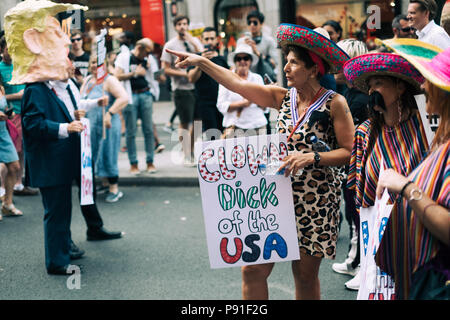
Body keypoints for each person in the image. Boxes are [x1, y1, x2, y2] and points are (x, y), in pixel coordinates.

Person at [167, 23, 354, 300]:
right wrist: (202, 61)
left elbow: (349, 150)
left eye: (294, 63)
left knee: (304, 277)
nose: (286, 68)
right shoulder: (281, 97)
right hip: (273, 198)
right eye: (286, 61)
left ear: (313, 69)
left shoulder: (335, 103)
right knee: (252, 270)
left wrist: (311, 157)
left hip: (315, 201)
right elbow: (238, 84)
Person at [5, 0, 122, 275]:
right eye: (61, 45)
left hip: (64, 160)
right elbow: (33, 125)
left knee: (62, 212)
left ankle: (63, 250)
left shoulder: (56, 85)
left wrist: (77, 116)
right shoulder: (36, 89)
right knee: (55, 213)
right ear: (36, 45)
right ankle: (57, 262)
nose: (68, 52)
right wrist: (65, 128)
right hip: (51, 163)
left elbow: (61, 113)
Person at [343, 51, 429, 297]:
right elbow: (362, 197)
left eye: (378, 83)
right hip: (379, 239)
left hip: (417, 235)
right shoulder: (365, 133)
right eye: (369, 87)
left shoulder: (423, 127)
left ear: (400, 87)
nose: (371, 91)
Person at [375, 40, 449, 300]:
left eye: (429, 79)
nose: (422, 85)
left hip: (438, 283)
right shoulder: (443, 140)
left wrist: (407, 188)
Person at [331, 39, 369, 289]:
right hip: (353, 166)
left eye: (339, 61)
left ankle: (364, 269)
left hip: (361, 167)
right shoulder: (349, 95)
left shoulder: (358, 99)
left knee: (360, 216)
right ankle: (355, 261)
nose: (334, 66)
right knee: (352, 215)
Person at [81, 55, 128, 203]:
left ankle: (114, 187)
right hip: (91, 124)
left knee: (108, 153)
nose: (95, 65)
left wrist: (110, 112)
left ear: (106, 65)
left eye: (98, 62)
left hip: (107, 125)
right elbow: (81, 100)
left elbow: (123, 98)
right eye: (92, 62)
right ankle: (104, 183)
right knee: (95, 154)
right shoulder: (88, 80)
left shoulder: (110, 80)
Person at [161, 15, 203, 166]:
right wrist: (184, 74)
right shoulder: (170, 44)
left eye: (185, 24)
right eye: (179, 24)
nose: (182, 27)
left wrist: (194, 43)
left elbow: (203, 58)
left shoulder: (194, 41)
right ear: (175, 26)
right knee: (185, 123)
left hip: (197, 87)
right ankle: (186, 154)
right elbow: (166, 69)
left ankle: (190, 149)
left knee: (198, 123)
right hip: (181, 89)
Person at [0, 36, 38, 198]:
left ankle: (18, 184)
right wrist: (15, 96)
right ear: (2, 50)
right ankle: (3, 188)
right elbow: (2, 95)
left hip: (26, 112)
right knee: (10, 153)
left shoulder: (21, 66)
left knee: (22, 150)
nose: (12, 52)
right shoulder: (0, 68)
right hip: (9, 115)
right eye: (9, 49)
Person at [115, 38, 158, 174]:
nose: (148, 55)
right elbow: (117, 76)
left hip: (145, 94)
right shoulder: (124, 57)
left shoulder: (148, 59)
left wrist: (152, 69)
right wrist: (135, 73)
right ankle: (133, 164)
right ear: (139, 48)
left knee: (148, 130)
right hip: (130, 96)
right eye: (147, 52)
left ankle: (150, 162)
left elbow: (155, 77)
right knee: (131, 131)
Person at [238, 10, 279, 133]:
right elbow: (236, 60)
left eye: (255, 22)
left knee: (263, 113)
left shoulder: (269, 41)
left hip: (262, 81)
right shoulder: (242, 41)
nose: (252, 25)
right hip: (246, 80)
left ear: (261, 24)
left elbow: (274, 62)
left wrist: (257, 52)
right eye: (249, 23)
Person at [216, 43, 266, 138]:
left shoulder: (257, 78)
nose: (242, 61)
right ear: (235, 62)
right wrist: (243, 103)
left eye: (246, 58)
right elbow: (221, 105)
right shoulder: (226, 79)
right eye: (239, 59)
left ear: (250, 61)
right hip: (236, 127)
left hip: (258, 125)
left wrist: (264, 96)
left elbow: (265, 107)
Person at [187, 27, 228, 140]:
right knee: (212, 135)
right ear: (202, 40)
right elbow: (191, 78)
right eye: (206, 39)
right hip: (205, 102)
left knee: (223, 134)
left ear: (216, 40)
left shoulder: (221, 59)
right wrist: (200, 62)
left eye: (212, 38)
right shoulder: (196, 58)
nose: (209, 41)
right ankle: (188, 153)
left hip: (221, 102)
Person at [0, 80, 22, 218]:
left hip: (3, 132)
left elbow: (6, 107)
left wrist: (10, 114)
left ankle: (7, 204)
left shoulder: (1, 88)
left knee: (14, 166)